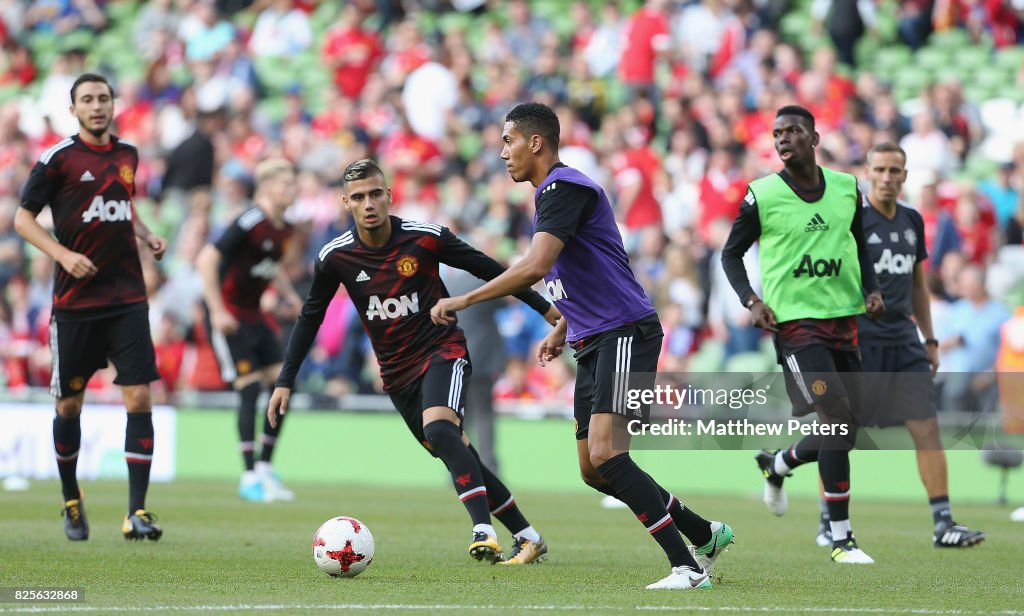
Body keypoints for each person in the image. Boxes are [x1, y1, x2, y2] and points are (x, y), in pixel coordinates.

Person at [432, 102, 733, 590]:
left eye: (508, 141)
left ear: (536, 142)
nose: (502, 152)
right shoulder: (550, 195)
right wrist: (562, 325)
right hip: (593, 337)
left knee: (609, 454)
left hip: (624, 331)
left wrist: (465, 297)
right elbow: (579, 270)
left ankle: (688, 567)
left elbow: (534, 266)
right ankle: (704, 533)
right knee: (594, 470)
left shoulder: (563, 187)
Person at [268, 159, 556, 565]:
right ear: (345, 203)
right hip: (397, 374)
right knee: (455, 450)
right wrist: (286, 379)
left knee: (441, 429)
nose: (368, 204)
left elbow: (489, 269)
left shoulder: (425, 238)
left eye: (374, 194)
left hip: (443, 350)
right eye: (358, 197)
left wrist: (545, 309)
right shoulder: (336, 257)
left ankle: (482, 530)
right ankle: (528, 536)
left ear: (388, 195)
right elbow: (310, 316)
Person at [721, 105, 884, 564]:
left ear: (814, 137)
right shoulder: (762, 195)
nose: (783, 139)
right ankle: (841, 538)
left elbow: (860, 246)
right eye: (777, 133)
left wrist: (871, 290)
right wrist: (752, 302)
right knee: (834, 416)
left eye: (793, 131)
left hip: (844, 319)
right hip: (795, 325)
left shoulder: (848, 188)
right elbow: (730, 256)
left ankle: (778, 463)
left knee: (848, 429)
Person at [14, 73, 168, 542]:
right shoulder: (57, 159)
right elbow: (22, 219)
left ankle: (136, 512)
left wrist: (145, 234)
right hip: (76, 304)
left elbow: (124, 203)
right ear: (73, 109)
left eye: (103, 98)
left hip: (127, 297)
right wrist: (62, 255)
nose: (97, 106)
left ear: (113, 105)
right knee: (69, 405)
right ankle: (71, 499)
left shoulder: (127, 154)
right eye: (88, 100)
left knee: (139, 396)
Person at [809, 142, 985, 548]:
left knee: (926, 427)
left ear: (905, 176)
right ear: (867, 173)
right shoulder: (850, 219)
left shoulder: (912, 220)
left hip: (904, 340)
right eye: (881, 170)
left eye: (895, 171)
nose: (888, 178)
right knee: (840, 431)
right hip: (858, 339)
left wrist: (930, 339)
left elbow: (918, 283)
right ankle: (827, 519)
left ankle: (944, 524)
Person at [197, 158, 303, 502]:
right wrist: (216, 311)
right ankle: (248, 476)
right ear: (268, 187)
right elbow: (207, 260)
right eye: (286, 184)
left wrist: (289, 296)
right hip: (230, 315)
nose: (293, 189)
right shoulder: (249, 221)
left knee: (284, 384)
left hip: (255, 316)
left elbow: (271, 267)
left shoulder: (283, 228)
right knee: (250, 387)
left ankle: (265, 468)